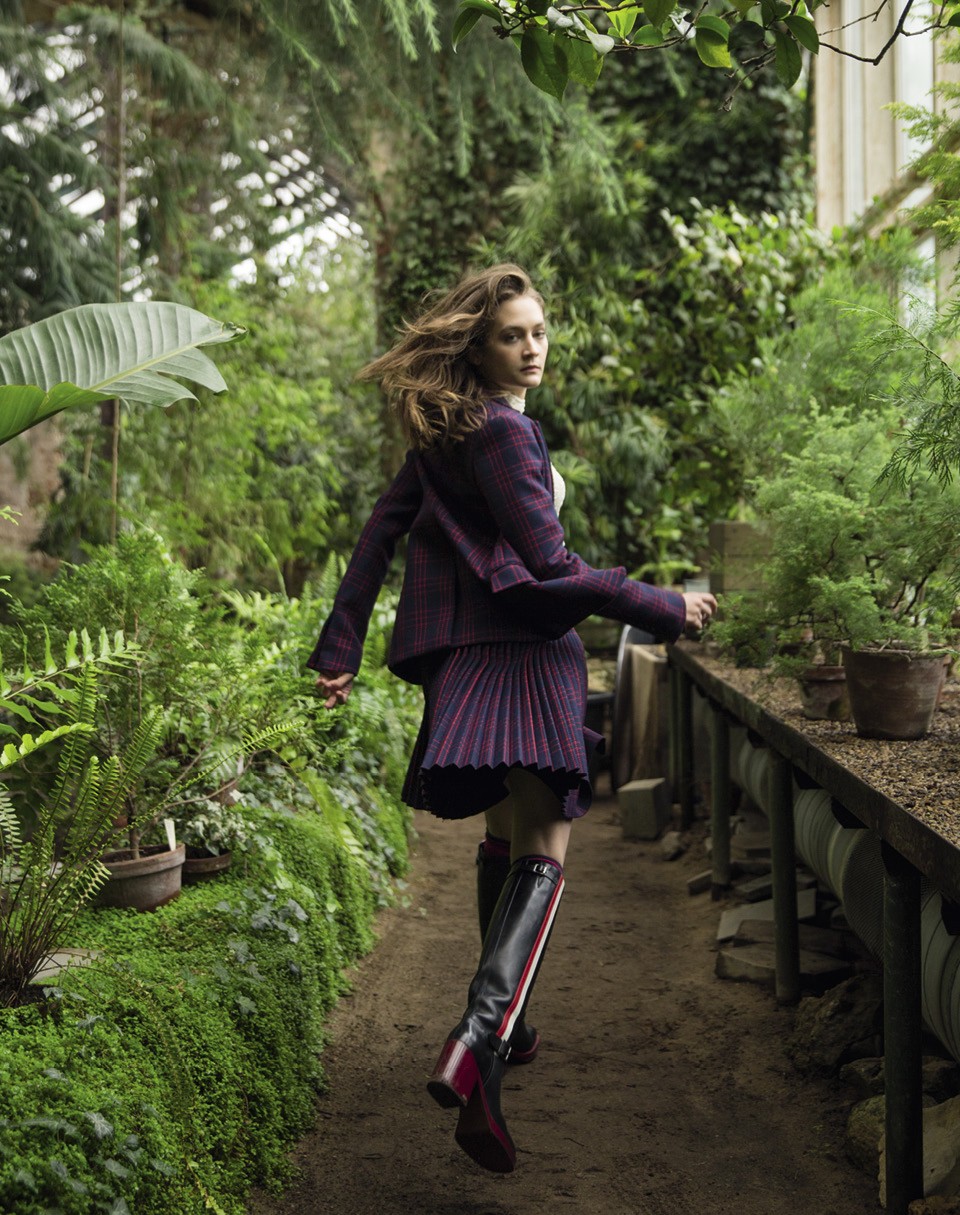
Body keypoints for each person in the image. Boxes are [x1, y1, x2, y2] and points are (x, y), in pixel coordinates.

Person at [307, 264, 717, 1174]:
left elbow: (378, 535)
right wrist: (663, 604)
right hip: (526, 655)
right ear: (478, 347)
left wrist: (339, 648)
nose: (532, 349)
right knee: (546, 842)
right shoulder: (503, 432)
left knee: (502, 835)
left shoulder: (446, 435)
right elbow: (552, 564)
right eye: (511, 335)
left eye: (538, 331)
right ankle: (478, 1034)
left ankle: (510, 1024)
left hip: (465, 660)